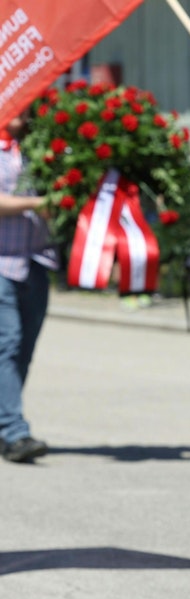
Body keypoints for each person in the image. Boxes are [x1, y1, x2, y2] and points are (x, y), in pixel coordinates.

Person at [0, 110, 58, 464]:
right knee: (8, 342)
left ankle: (5, 423)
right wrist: (38, 203)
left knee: (24, 350)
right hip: (2, 262)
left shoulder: (41, 148)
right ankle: (15, 431)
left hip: (37, 261)